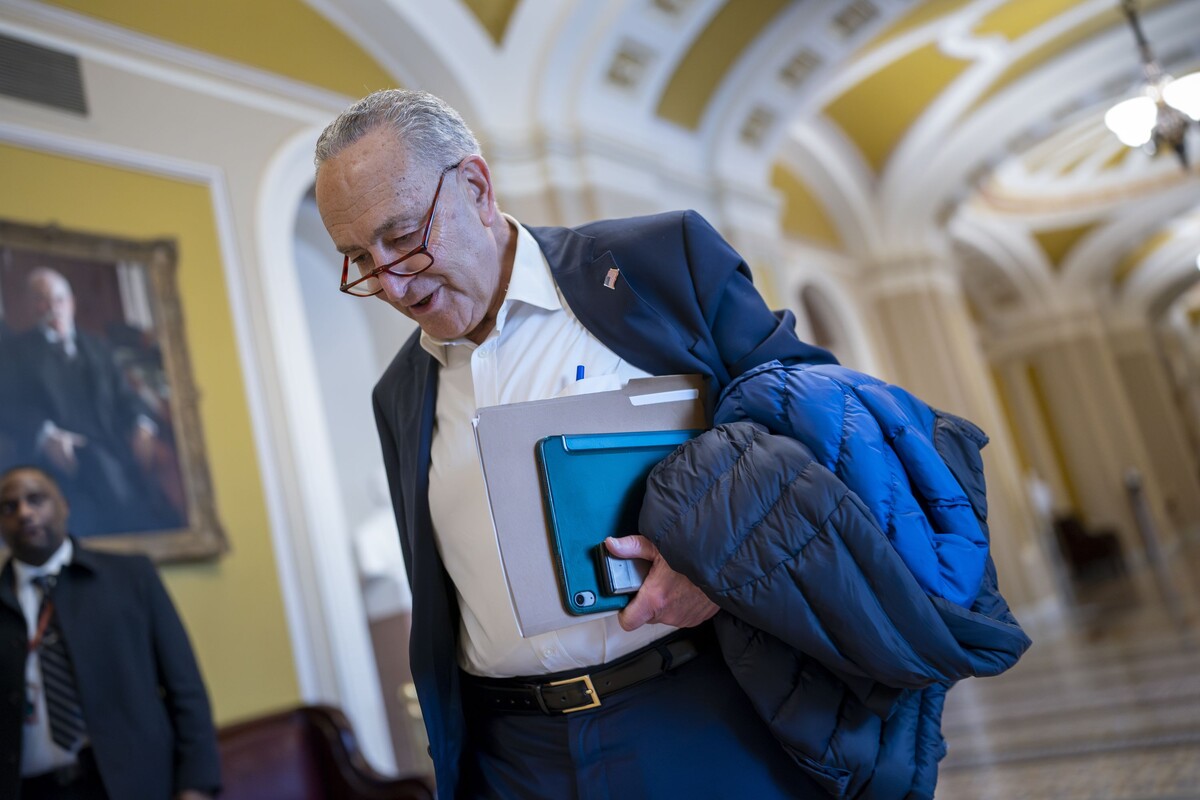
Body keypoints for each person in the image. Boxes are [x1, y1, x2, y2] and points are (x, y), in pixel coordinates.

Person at [313, 89, 840, 798]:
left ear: (475, 188)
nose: (392, 285)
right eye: (359, 258)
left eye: (403, 236)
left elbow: (819, 419)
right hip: (514, 757)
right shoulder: (399, 393)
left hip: (698, 714)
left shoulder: (658, 265)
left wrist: (723, 559)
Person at [0, 465, 221, 799]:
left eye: (36, 499)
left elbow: (185, 688)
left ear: (64, 506)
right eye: (9, 506)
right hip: (33, 790)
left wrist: (196, 785)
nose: (24, 513)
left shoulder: (130, 577)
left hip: (131, 785)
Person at [0, 268, 182, 537]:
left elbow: (126, 396)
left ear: (71, 303)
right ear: (30, 306)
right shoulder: (16, 354)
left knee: (152, 486)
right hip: (63, 453)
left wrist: (142, 425)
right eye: (42, 300)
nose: (52, 307)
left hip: (115, 445)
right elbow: (8, 407)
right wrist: (46, 434)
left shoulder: (97, 347)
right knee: (103, 471)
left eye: (59, 299)